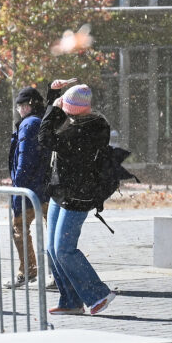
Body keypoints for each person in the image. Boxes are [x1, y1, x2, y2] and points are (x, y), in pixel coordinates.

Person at [38, 80, 117, 316]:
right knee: (52, 249)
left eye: (65, 106)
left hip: (77, 196)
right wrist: (53, 93)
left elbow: (45, 138)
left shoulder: (86, 130)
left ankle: (98, 294)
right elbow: (50, 125)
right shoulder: (75, 122)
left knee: (64, 250)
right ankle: (70, 301)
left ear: (72, 109)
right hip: (61, 192)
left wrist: (54, 107)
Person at [5, 86, 50, 288]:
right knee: (54, 232)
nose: (20, 110)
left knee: (19, 228)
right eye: (19, 106)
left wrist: (18, 188)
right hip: (47, 189)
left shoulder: (29, 124)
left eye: (22, 105)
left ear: (29, 105)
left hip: (31, 190)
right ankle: (58, 274)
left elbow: (24, 160)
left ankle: (27, 270)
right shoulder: (44, 120)